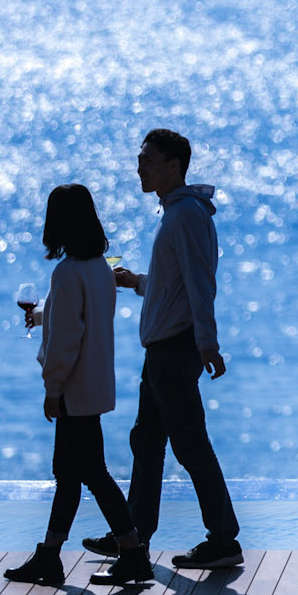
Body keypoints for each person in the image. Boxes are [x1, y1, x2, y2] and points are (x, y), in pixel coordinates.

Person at [87, 129, 241, 571]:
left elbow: (199, 282)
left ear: (174, 165)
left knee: (189, 444)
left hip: (175, 350)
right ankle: (133, 535)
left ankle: (223, 539)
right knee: (147, 441)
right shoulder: (177, 213)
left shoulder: (185, 215)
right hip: (163, 351)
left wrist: (207, 342)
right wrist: (137, 282)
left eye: (149, 161)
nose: (140, 168)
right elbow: (176, 285)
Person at [4, 185, 152, 586]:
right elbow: (74, 318)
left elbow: (66, 338)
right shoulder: (99, 268)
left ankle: (133, 551)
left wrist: (52, 389)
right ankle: (49, 555)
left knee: (92, 473)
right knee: (69, 473)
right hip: (94, 384)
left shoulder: (68, 272)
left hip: (72, 390)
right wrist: (41, 318)